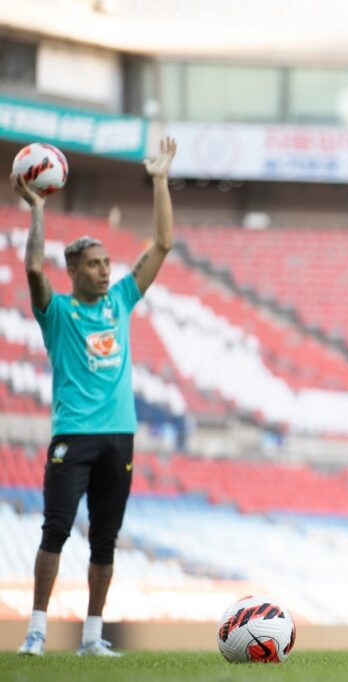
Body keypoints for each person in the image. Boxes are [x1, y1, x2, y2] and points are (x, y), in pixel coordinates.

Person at [15, 137, 177, 657]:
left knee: (105, 541)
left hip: (119, 437)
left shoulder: (122, 300)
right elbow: (35, 270)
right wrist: (38, 211)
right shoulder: (57, 313)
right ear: (75, 272)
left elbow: (163, 245)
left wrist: (158, 181)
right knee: (56, 531)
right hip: (73, 436)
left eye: (108, 262)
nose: (107, 270)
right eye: (95, 265)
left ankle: (90, 637)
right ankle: (36, 632)